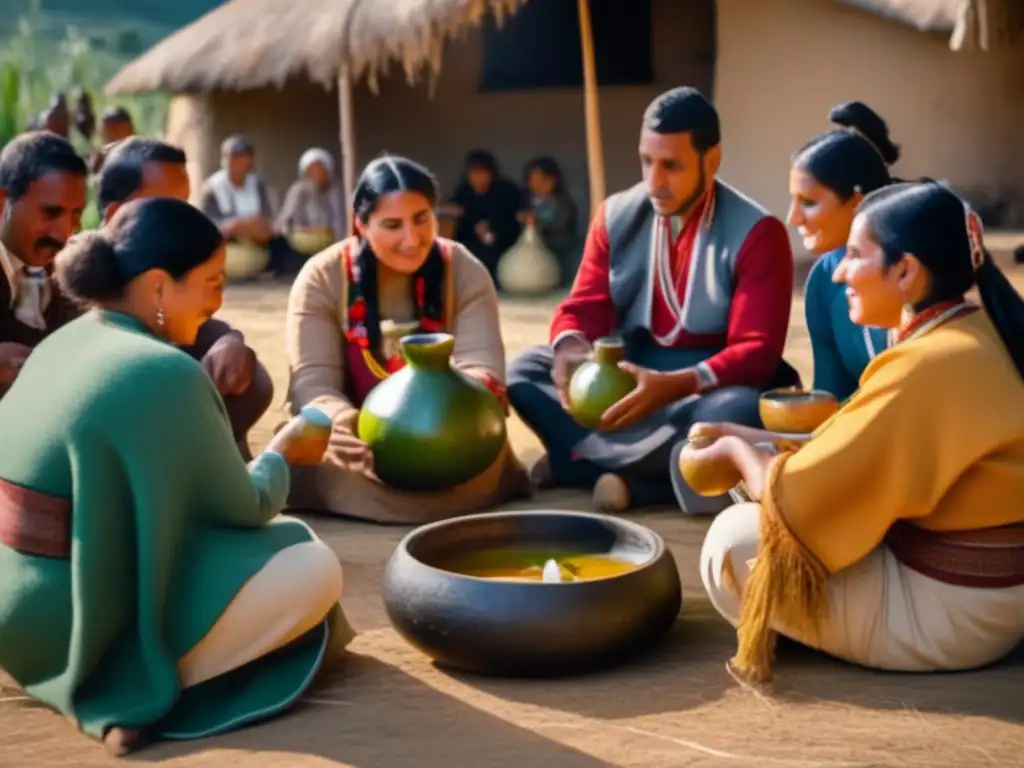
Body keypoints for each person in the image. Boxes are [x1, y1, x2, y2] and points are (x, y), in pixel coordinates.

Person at [0, 197, 354, 755]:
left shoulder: (62, 342)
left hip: (16, 620)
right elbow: (248, 505)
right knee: (311, 562)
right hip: (83, 626)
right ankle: (137, 679)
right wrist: (284, 452)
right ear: (160, 287)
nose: (219, 299)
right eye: (211, 282)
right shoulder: (164, 371)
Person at [694, 181, 1024, 685]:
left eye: (853, 254)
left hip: (958, 617)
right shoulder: (974, 330)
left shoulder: (924, 365)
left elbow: (799, 497)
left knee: (735, 541)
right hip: (998, 599)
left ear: (906, 270)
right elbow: (856, 451)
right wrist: (754, 436)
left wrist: (737, 450)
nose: (840, 271)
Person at [507, 87, 797, 514]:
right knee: (526, 372)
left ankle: (589, 469)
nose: (655, 182)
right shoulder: (616, 215)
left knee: (740, 411)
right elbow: (583, 306)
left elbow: (758, 351)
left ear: (711, 160)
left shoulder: (759, 232)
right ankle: (638, 475)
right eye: (647, 162)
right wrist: (570, 346)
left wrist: (675, 386)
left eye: (672, 166)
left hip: (703, 386)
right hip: (630, 374)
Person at [285, 155, 530, 524]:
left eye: (421, 219)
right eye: (392, 225)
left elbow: (482, 369)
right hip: (360, 445)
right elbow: (314, 382)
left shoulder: (463, 268)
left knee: (483, 454)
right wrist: (345, 425)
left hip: (447, 437)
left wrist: (448, 424)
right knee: (314, 451)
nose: (411, 239)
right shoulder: (322, 276)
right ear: (361, 225)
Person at [97, 137, 275, 459]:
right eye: (165, 207)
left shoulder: (172, 267)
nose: (183, 222)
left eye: (184, 206)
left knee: (248, 377)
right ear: (115, 214)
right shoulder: (78, 287)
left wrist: (229, 341)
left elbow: (201, 323)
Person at [790, 102, 898, 401]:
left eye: (808, 203)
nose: (793, 218)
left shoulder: (907, 272)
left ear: (857, 203)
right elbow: (831, 399)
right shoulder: (824, 278)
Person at [0, 132, 87, 392]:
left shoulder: (71, 272)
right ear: (3, 203)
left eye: (76, 214)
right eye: (51, 212)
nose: (64, 233)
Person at [199, 135, 302, 278]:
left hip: (258, 238)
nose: (239, 163)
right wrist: (237, 227)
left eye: (243, 157)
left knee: (283, 246)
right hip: (229, 240)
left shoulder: (258, 184)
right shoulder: (212, 188)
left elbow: (269, 217)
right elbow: (208, 225)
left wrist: (258, 228)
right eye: (234, 158)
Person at [448, 150, 522, 286]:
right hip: (471, 241)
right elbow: (457, 212)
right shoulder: (464, 191)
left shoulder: (506, 191)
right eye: (474, 173)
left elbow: (512, 219)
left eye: (482, 173)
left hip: (503, 243)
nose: (478, 178)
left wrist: (491, 228)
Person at [521, 155, 580, 285]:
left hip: (557, 247)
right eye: (534, 180)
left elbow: (561, 225)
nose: (538, 185)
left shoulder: (562, 203)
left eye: (543, 180)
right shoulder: (524, 202)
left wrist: (538, 223)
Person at [276, 147, 345, 241]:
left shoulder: (337, 191)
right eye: (312, 171)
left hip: (331, 241)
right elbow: (286, 221)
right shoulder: (299, 191)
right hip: (302, 242)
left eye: (320, 170)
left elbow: (340, 222)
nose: (316, 174)